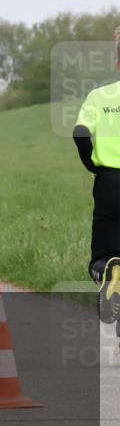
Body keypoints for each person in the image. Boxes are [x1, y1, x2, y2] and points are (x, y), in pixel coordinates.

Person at [73, 26, 120, 327]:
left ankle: (103, 268)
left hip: (110, 182)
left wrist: (91, 163)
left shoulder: (99, 96)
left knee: (107, 244)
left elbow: (79, 132)